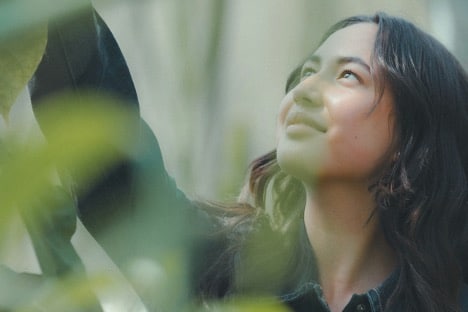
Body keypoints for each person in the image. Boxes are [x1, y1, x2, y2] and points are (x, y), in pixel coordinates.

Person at [28, 4, 468, 312]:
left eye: (349, 75)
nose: (305, 91)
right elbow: (110, 159)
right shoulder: (217, 269)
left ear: (414, 132)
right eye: (307, 72)